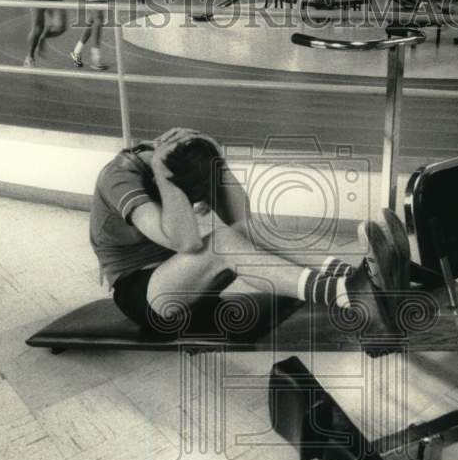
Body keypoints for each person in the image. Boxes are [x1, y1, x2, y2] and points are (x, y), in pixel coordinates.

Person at [90, 127, 411, 340]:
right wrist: (164, 178)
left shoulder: (185, 154)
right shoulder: (120, 177)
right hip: (144, 296)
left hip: (185, 282)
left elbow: (244, 222)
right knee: (223, 244)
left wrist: (221, 164)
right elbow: (186, 241)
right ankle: (349, 295)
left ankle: (356, 277)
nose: (196, 206)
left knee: (248, 231)